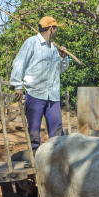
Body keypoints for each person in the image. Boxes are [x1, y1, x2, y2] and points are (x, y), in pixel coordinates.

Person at [9, 16, 70, 153]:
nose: (56, 31)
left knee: (57, 128)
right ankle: (34, 157)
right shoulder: (31, 43)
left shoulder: (54, 48)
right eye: (55, 28)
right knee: (34, 129)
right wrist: (18, 85)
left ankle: (57, 156)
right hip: (35, 92)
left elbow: (60, 70)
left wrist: (62, 57)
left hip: (52, 94)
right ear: (50, 29)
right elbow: (19, 63)